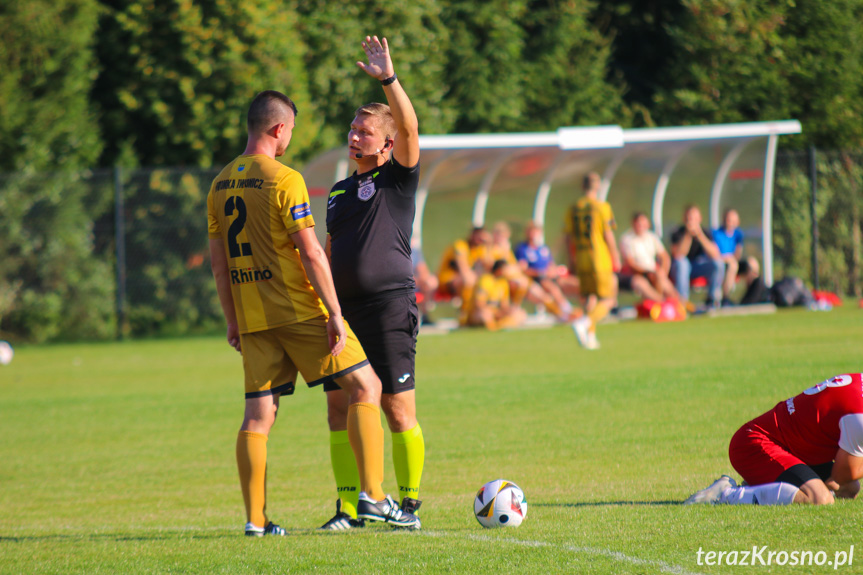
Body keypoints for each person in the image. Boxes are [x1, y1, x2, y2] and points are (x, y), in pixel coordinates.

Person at [207, 89, 418, 536]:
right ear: (280, 129)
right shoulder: (285, 179)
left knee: (258, 416)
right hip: (302, 310)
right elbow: (312, 253)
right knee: (365, 388)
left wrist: (231, 318)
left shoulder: (219, 184)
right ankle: (372, 499)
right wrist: (334, 311)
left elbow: (219, 264)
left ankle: (256, 520)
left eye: (364, 131)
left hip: (253, 315)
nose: (354, 137)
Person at [321, 36, 425, 530]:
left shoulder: (398, 179)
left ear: (387, 144)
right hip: (343, 314)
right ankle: (349, 508)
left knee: (396, 409)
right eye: (352, 129)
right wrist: (326, 307)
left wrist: (389, 78)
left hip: (388, 306)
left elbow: (409, 124)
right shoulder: (338, 192)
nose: (355, 136)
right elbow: (328, 252)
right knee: (338, 408)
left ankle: (408, 507)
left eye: (365, 131)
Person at [685, 373, 863, 506]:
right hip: (754, 446)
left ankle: (760, 488)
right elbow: (843, 474)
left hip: (790, 449)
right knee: (820, 498)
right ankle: (724, 494)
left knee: (850, 488)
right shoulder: (858, 416)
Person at [566, 172, 621, 350]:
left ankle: (590, 336)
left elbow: (569, 237)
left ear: (582, 186)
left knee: (590, 298)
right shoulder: (602, 207)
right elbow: (608, 234)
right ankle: (584, 322)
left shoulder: (573, 208)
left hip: (581, 258)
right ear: (597, 186)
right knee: (608, 300)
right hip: (599, 259)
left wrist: (571, 260)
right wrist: (616, 256)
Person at [514, 222, 577, 321]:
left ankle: (585, 310)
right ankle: (567, 310)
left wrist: (554, 271)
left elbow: (551, 265)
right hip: (536, 280)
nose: (534, 234)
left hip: (551, 278)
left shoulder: (544, 249)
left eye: (536, 232)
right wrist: (541, 273)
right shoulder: (522, 249)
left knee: (574, 283)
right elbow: (523, 269)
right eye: (531, 232)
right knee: (549, 287)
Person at [618, 212, 680, 303]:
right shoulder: (627, 239)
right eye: (638, 223)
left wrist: (663, 271)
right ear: (633, 224)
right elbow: (630, 263)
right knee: (651, 281)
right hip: (638, 274)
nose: (640, 226)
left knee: (670, 290)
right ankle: (660, 303)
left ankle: (680, 305)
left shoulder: (651, 237)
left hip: (655, 272)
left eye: (643, 223)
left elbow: (664, 257)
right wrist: (648, 272)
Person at [670, 205, 723, 307]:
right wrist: (688, 235)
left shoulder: (705, 232)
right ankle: (683, 302)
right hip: (680, 268)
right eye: (689, 218)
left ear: (700, 219)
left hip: (698, 266)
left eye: (694, 218)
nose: (691, 221)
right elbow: (678, 255)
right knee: (682, 263)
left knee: (718, 264)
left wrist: (699, 235)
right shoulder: (677, 232)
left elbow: (715, 254)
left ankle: (712, 299)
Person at [712, 208, 760, 305]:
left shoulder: (738, 235)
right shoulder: (717, 234)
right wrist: (728, 258)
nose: (730, 223)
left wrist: (738, 248)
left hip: (734, 262)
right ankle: (726, 297)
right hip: (723, 264)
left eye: (733, 220)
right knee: (733, 264)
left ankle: (752, 294)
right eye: (728, 220)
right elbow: (716, 255)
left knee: (752, 263)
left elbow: (737, 256)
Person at [462, 259, 527, 330]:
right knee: (485, 314)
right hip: (479, 313)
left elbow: (504, 305)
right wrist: (496, 313)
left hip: (495, 313)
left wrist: (507, 311)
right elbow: (479, 304)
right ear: (499, 270)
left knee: (519, 313)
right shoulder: (486, 280)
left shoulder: (503, 282)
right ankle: (496, 326)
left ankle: (499, 326)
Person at [437, 227, 491, 304]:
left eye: (482, 238)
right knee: (468, 281)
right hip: (446, 280)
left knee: (487, 282)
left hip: (463, 280)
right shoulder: (460, 245)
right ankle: (464, 309)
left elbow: (489, 269)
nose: (479, 239)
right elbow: (464, 270)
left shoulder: (478, 249)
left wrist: (488, 246)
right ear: (472, 235)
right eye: (478, 236)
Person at [411, 236, 439, 325]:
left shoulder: (415, 252)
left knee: (430, 282)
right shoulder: (397, 251)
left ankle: (425, 315)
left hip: (415, 284)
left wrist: (422, 280)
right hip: (402, 285)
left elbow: (423, 270)